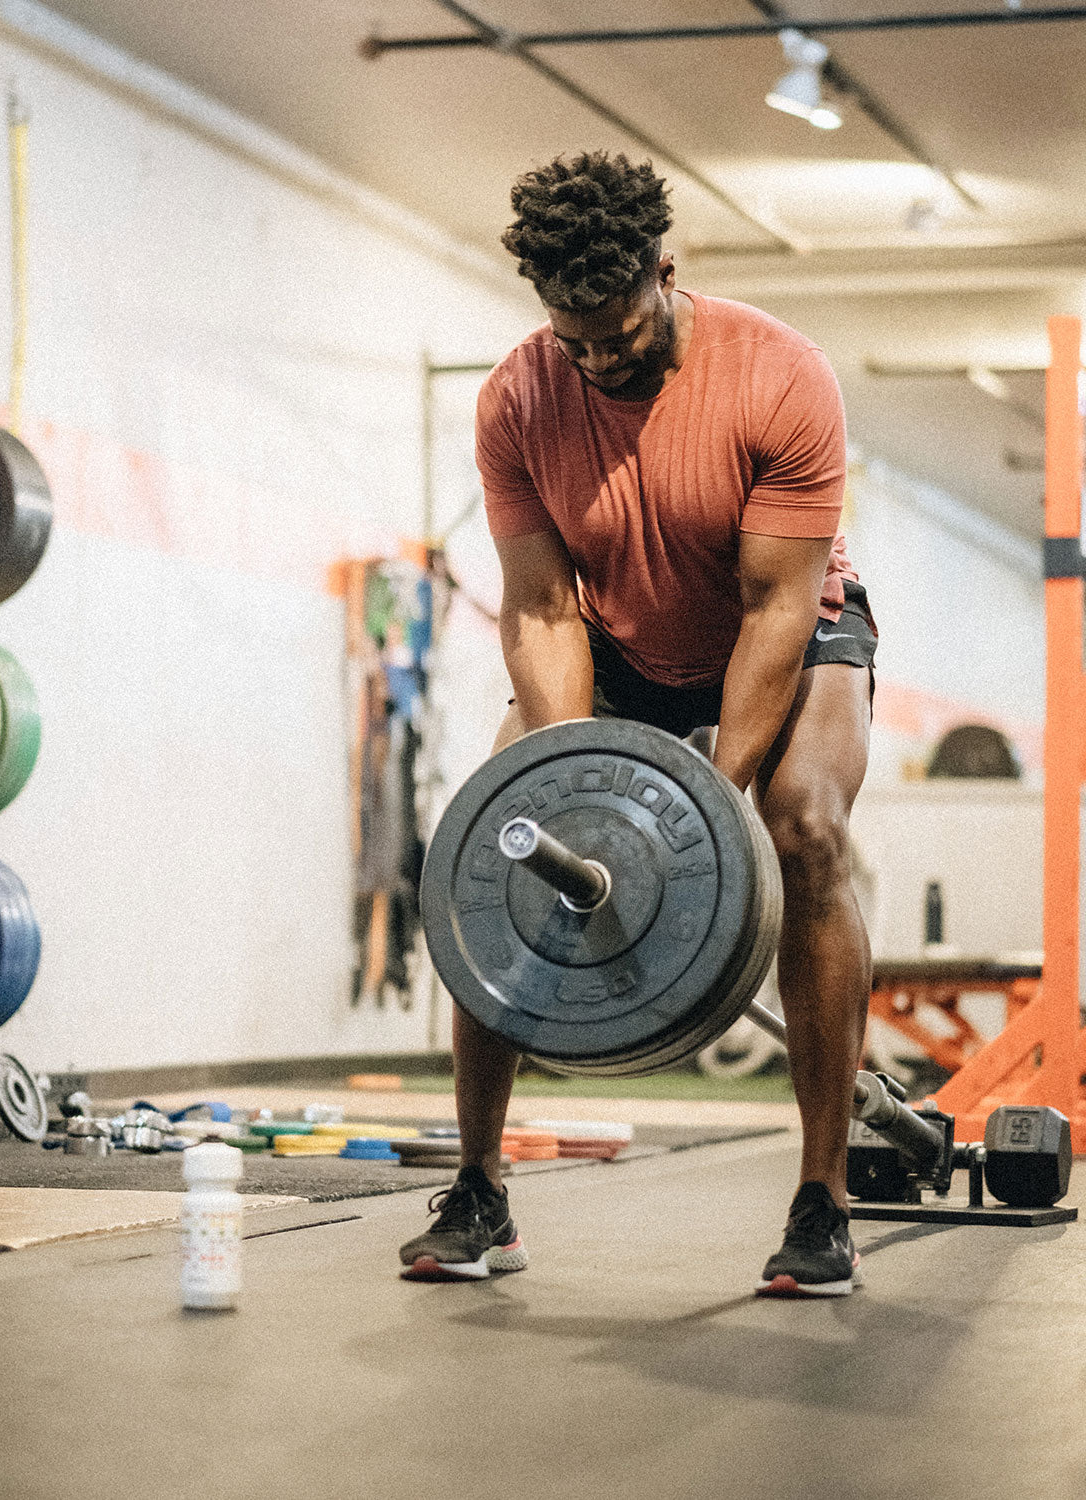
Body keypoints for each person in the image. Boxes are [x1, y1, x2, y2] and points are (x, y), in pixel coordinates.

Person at [400, 151, 877, 1297]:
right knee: (494, 841)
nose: (599, 362)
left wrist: (716, 796)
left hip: (790, 631)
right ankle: (479, 1188)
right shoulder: (517, 399)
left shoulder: (782, 376)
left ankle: (823, 1199)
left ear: (666, 271)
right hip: (613, 640)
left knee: (805, 832)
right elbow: (540, 604)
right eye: (576, 342)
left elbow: (775, 607)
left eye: (618, 336)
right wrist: (572, 787)